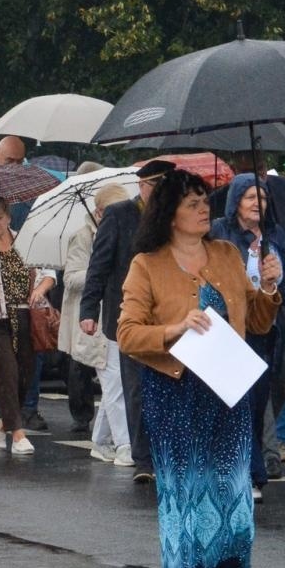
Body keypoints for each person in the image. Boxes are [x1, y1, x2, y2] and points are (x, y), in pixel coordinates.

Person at [118, 170, 282, 568]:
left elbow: (259, 320)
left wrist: (269, 288)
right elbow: (127, 333)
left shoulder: (227, 255)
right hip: (175, 390)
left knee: (229, 487)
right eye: (191, 203)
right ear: (169, 214)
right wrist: (174, 328)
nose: (202, 208)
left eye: (204, 201)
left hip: (226, 385)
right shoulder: (146, 264)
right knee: (186, 490)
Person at [80, 159, 174, 483]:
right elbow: (99, 264)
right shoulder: (120, 214)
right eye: (156, 187)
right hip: (128, 318)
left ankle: (166, 453)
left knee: (167, 386)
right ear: (143, 186)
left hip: (168, 317)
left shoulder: (175, 218)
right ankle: (144, 459)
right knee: (136, 389)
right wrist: (88, 311)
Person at [209, 173, 285, 500]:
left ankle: (246, 466)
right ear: (235, 202)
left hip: (266, 330)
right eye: (249, 198)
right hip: (227, 329)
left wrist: (276, 280)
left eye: (261, 198)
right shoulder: (219, 232)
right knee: (236, 403)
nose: (257, 204)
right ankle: (246, 472)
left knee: (258, 402)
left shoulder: (276, 236)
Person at [0, 195, 55, 455]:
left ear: (8, 217)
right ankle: (18, 434)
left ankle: (1, 424)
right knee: (6, 372)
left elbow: (49, 273)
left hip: (27, 315)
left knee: (26, 375)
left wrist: (40, 290)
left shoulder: (26, 240)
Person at [66, 183, 131, 466]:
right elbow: (71, 277)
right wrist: (99, 272)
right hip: (93, 323)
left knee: (115, 385)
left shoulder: (129, 230)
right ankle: (126, 445)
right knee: (114, 382)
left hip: (119, 318)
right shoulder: (82, 238)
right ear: (100, 211)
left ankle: (100, 440)